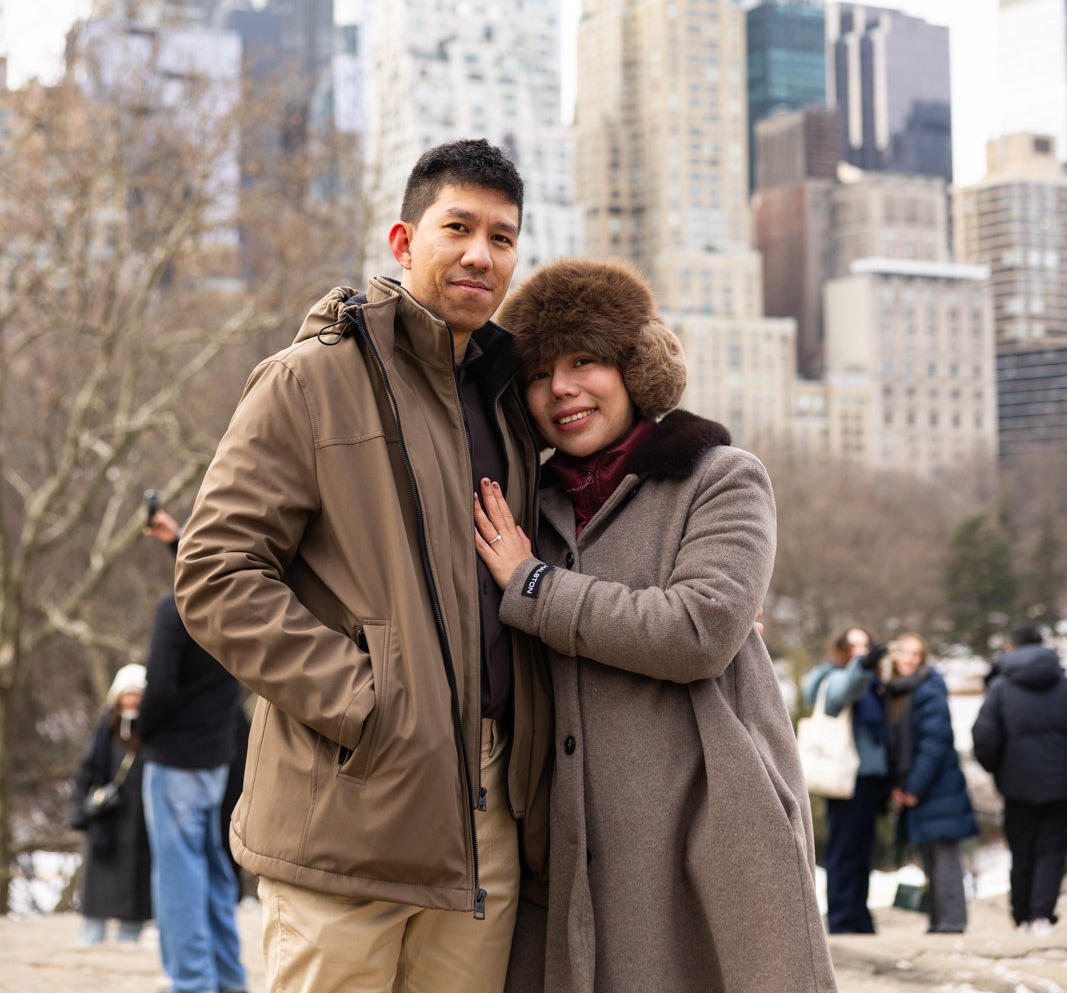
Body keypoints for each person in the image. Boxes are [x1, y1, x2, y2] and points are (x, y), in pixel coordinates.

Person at [174, 139, 552, 993]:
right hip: (349, 808)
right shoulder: (308, 381)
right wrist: (370, 705)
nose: (480, 254)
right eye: (457, 227)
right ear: (403, 241)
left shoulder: (509, 403)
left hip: (484, 825)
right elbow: (216, 571)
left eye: (501, 237)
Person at [473, 258, 837, 993]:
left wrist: (534, 584)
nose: (561, 388)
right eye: (539, 373)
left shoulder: (720, 477)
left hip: (708, 832)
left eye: (584, 361)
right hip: (570, 849)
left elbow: (698, 631)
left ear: (636, 367)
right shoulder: (525, 508)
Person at [139, 589, 247, 993]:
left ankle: (192, 983)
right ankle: (228, 978)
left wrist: (141, 730)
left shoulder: (176, 607)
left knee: (178, 875)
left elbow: (159, 686)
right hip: (217, 756)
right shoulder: (229, 599)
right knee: (212, 869)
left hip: (176, 757)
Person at [972, 623, 1067, 934]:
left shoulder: (1001, 688)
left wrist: (998, 770)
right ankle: (1042, 916)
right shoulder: (1063, 685)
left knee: (1021, 849)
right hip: (1059, 784)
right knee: (1052, 848)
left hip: (1017, 784)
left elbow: (984, 739)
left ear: (1010, 648)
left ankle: (1021, 916)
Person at [886, 631, 977, 934]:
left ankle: (952, 922)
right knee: (929, 856)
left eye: (916, 654)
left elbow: (934, 744)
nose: (910, 659)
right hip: (917, 787)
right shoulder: (898, 692)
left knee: (945, 855)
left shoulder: (929, 690)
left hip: (937, 787)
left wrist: (913, 787)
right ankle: (939, 921)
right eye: (905, 652)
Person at [801, 627, 889, 934]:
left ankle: (859, 916)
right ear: (841, 649)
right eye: (854, 646)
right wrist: (862, 667)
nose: (860, 651)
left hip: (868, 778)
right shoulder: (834, 676)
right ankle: (841, 918)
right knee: (843, 850)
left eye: (865, 645)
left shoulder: (873, 682)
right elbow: (841, 694)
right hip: (844, 777)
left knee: (862, 850)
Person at [70, 662, 152, 947]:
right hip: (108, 820)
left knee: (136, 885)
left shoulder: (152, 729)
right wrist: (81, 812)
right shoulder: (105, 729)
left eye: (137, 694)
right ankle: (92, 938)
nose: (132, 700)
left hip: (140, 821)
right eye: (127, 694)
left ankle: (130, 938)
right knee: (98, 886)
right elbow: (86, 771)